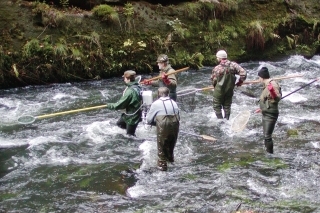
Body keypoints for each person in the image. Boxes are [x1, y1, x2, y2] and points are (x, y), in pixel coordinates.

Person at [146, 87, 180, 171]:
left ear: (158, 94)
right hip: (175, 124)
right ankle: (171, 162)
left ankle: (162, 167)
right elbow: (179, 116)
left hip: (163, 125)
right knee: (171, 146)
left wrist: (156, 123)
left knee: (162, 146)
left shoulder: (156, 103)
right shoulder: (174, 102)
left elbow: (149, 120)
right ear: (168, 93)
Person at [211, 50, 247, 120]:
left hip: (219, 90)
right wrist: (240, 82)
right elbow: (243, 74)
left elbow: (214, 81)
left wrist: (215, 87)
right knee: (227, 105)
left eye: (217, 57)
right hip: (229, 89)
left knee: (217, 106)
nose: (217, 58)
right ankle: (227, 120)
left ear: (220, 58)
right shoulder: (234, 65)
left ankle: (220, 120)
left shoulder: (216, 68)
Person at [106, 70, 142, 136]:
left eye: (124, 78)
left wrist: (109, 105)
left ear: (127, 79)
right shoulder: (138, 86)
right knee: (119, 124)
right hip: (129, 113)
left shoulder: (130, 91)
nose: (124, 79)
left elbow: (120, 105)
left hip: (132, 117)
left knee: (130, 136)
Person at [255, 67, 282, 154]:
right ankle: (267, 151)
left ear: (262, 77)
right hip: (266, 111)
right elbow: (267, 99)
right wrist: (261, 109)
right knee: (266, 135)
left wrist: (273, 92)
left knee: (267, 136)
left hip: (271, 114)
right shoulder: (267, 84)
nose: (258, 79)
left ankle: (270, 154)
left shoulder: (272, 85)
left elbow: (277, 98)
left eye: (259, 77)